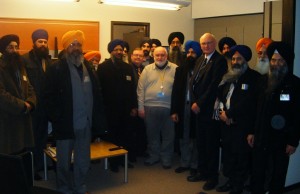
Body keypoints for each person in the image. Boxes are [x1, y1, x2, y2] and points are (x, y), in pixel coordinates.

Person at [44, 30, 107, 194]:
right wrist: (56, 117)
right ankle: (64, 187)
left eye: (79, 44)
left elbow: (97, 93)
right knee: (63, 160)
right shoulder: (55, 68)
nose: (76, 48)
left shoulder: (88, 67)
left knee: (83, 159)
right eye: (72, 44)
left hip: (85, 123)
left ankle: (80, 185)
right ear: (66, 47)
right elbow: (47, 96)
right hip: (66, 124)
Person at [248, 41, 300, 194]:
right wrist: (252, 132)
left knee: (278, 174)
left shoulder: (295, 84)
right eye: (273, 60)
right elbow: (255, 110)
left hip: (282, 140)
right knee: (258, 172)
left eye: (280, 60)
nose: (276, 64)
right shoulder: (262, 81)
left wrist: (293, 141)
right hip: (261, 136)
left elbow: (298, 115)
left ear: (286, 62)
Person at [214, 45, 261, 194]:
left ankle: (238, 186)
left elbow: (249, 102)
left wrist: (230, 114)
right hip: (226, 124)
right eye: (233, 58)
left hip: (242, 126)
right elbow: (220, 97)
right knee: (229, 156)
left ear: (245, 60)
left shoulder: (254, 78)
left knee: (241, 157)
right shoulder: (228, 76)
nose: (235, 61)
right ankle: (230, 181)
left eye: (239, 58)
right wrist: (222, 113)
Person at [188, 33, 227, 191]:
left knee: (211, 144)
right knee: (201, 143)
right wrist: (193, 101)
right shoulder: (200, 59)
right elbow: (193, 82)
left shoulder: (219, 61)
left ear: (215, 43)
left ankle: (212, 177)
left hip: (209, 109)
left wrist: (200, 103)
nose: (206, 46)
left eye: (209, 43)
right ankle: (202, 172)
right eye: (203, 44)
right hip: (197, 108)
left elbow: (214, 85)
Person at [97, 39, 137, 171]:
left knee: (125, 135)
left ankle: (123, 160)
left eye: (121, 50)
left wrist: (133, 107)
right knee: (112, 137)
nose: (119, 52)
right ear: (111, 51)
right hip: (110, 110)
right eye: (116, 50)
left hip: (126, 110)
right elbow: (99, 90)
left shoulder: (128, 68)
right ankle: (113, 162)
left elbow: (132, 89)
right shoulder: (103, 68)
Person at [137, 46, 177, 169]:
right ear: (153, 56)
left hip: (169, 108)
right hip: (150, 107)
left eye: (162, 55)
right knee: (152, 135)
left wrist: (176, 110)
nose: (160, 57)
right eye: (157, 55)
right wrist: (140, 107)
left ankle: (166, 158)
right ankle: (153, 156)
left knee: (168, 136)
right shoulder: (147, 69)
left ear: (167, 56)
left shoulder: (175, 69)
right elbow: (140, 89)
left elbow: (179, 90)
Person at [22, 29, 51, 180]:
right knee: (31, 140)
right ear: (34, 42)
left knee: (42, 138)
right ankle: (30, 169)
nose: (43, 44)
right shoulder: (24, 60)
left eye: (45, 41)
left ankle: (39, 166)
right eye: (40, 41)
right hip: (33, 108)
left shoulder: (48, 59)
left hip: (45, 108)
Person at [0, 34, 36, 155]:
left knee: (23, 154)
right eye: (11, 47)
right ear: (3, 49)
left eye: (16, 47)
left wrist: (31, 102)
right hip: (7, 120)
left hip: (23, 119)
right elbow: (2, 95)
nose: (14, 50)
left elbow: (29, 87)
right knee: (9, 157)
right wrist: (22, 106)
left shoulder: (20, 67)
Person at [171, 40, 202, 175]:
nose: (190, 55)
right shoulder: (180, 69)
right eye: (188, 52)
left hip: (197, 108)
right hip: (183, 107)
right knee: (183, 136)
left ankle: (195, 165)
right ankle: (184, 162)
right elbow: (175, 91)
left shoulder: (202, 70)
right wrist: (174, 111)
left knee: (195, 137)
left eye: (193, 52)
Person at [129, 47, 147, 159]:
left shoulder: (146, 69)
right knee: (132, 131)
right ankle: (132, 153)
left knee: (142, 129)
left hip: (144, 104)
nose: (138, 57)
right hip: (132, 105)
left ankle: (141, 151)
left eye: (140, 56)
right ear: (131, 57)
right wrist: (132, 106)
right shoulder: (127, 69)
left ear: (144, 58)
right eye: (136, 55)